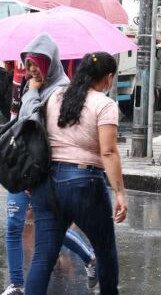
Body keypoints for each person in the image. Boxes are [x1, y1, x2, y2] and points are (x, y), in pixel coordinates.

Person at [2, 36, 98, 295]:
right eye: (29, 63)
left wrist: (32, 94)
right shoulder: (28, 84)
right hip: (21, 166)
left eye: (38, 63)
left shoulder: (61, 89)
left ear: (51, 62)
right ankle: (16, 283)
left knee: (48, 227)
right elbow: (22, 122)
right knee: (13, 223)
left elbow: (37, 124)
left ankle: (89, 257)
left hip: (46, 169)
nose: (32, 69)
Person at [25, 51, 126, 295]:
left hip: (47, 184)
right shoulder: (105, 104)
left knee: (42, 258)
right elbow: (109, 152)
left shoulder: (55, 96)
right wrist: (120, 193)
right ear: (109, 77)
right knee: (104, 252)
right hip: (84, 183)